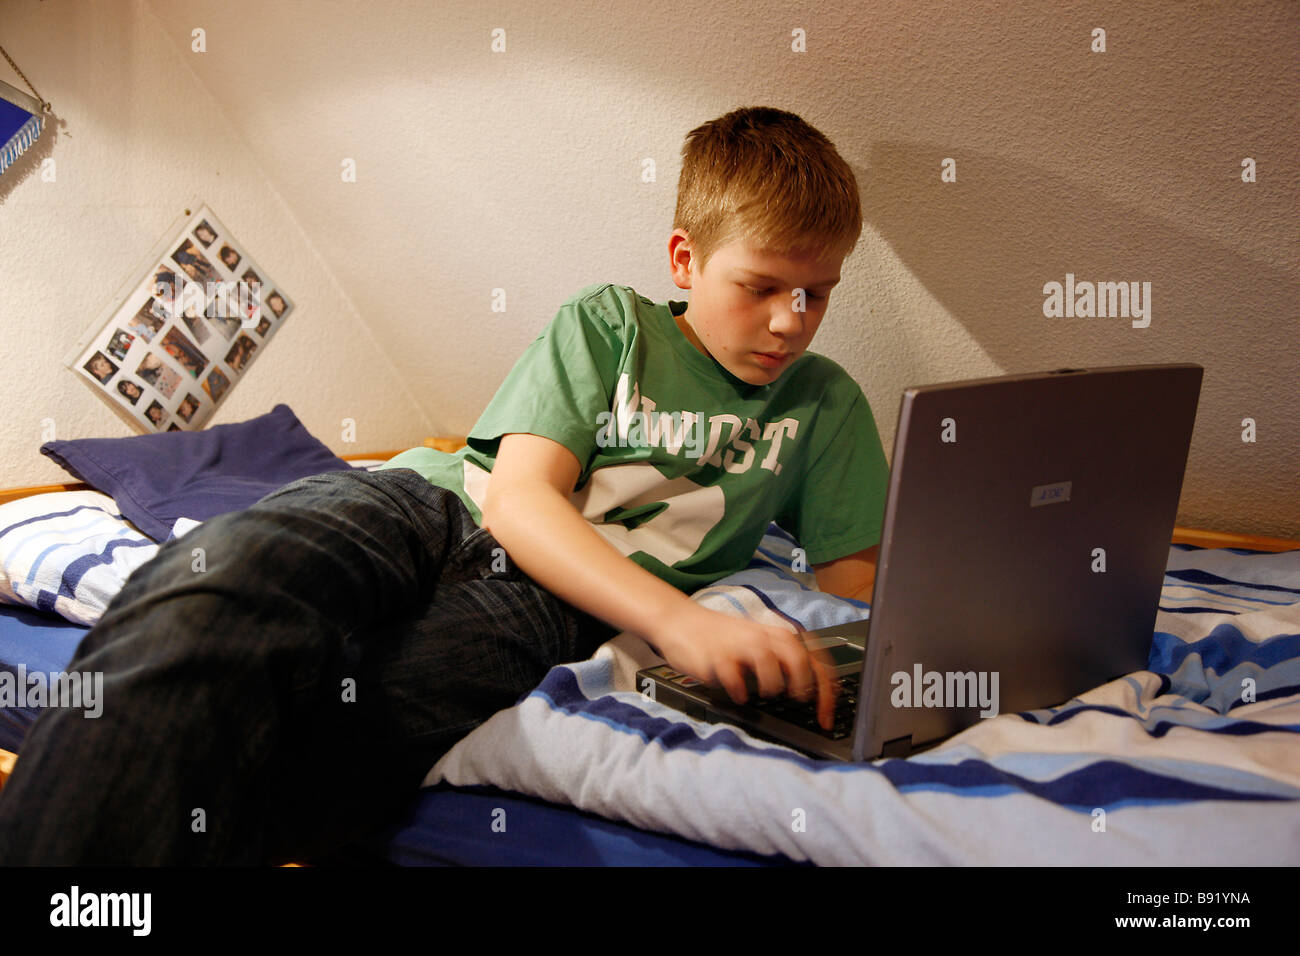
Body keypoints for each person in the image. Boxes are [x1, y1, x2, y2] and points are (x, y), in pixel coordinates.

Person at [0, 106, 888, 866]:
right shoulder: (612, 325)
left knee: (357, 740)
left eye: (818, 293)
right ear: (686, 261)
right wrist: (676, 620)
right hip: (429, 506)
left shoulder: (824, 403)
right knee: (224, 577)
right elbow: (519, 498)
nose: (790, 322)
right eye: (763, 285)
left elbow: (861, 590)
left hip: (554, 605)